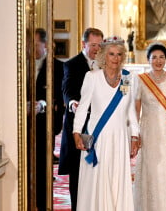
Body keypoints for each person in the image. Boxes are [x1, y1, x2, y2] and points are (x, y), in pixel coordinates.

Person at [72, 36, 139, 211]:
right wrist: (76, 132)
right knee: (97, 179)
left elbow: (130, 110)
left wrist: (135, 135)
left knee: (117, 178)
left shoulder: (126, 79)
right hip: (97, 138)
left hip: (119, 138)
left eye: (118, 54)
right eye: (111, 54)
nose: (115, 58)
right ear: (103, 55)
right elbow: (82, 108)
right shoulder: (92, 77)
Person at [133, 42, 166, 211]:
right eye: (154, 57)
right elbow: (136, 110)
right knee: (151, 170)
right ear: (148, 60)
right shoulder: (140, 80)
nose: (158, 61)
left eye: (161, 57)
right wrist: (135, 133)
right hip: (149, 132)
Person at [58, 27, 104, 211]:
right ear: (83, 44)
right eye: (93, 45)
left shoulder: (105, 64)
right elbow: (67, 90)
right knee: (78, 171)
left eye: (100, 45)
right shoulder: (71, 64)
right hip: (80, 126)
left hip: (100, 125)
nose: (97, 49)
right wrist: (72, 103)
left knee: (97, 170)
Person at [34, 28, 65, 211]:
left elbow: (59, 99)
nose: (31, 48)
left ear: (45, 45)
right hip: (22, 127)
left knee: (43, 171)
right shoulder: (20, 64)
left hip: (44, 126)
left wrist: (42, 105)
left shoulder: (58, 67)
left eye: (36, 44)